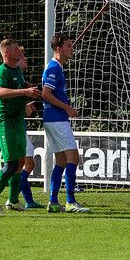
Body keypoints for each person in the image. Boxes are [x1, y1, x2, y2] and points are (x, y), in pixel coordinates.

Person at [0, 38, 41, 214]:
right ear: (7, 53)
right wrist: (24, 91)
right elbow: (0, 92)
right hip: (5, 122)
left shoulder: (17, 70)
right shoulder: (2, 71)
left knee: (21, 162)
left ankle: (13, 200)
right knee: (10, 164)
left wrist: (27, 95)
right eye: (16, 49)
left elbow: (17, 89)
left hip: (17, 121)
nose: (20, 52)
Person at [41, 34, 90, 213]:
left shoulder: (56, 67)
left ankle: (53, 201)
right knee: (73, 158)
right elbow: (45, 93)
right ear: (59, 48)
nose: (72, 48)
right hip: (57, 118)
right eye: (69, 46)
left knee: (61, 160)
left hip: (52, 119)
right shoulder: (53, 68)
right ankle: (70, 201)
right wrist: (67, 108)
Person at [17, 46, 43, 209]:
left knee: (25, 164)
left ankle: (23, 199)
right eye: (22, 56)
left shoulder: (19, 78)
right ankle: (22, 199)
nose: (25, 59)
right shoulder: (11, 76)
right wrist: (23, 108)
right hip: (15, 127)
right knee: (21, 165)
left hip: (20, 125)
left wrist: (26, 106)